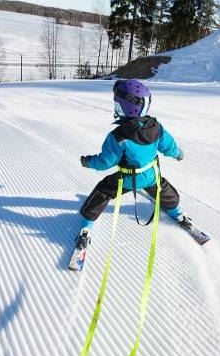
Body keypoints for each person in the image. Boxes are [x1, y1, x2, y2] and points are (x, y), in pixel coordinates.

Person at [75, 79, 191, 251]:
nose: (115, 107)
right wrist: (178, 153)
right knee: (163, 189)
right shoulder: (156, 127)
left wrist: (88, 161)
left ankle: (86, 226)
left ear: (125, 107)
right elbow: (169, 146)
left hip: (127, 180)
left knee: (103, 190)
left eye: (117, 104)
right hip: (151, 175)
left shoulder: (118, 136)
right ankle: (178, 214)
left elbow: (105, 162)